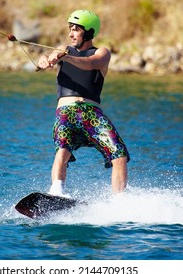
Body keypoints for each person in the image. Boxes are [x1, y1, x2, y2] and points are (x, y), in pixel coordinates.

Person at [37, 10, 130, 196]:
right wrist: (44, 60)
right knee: (63, 150)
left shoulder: (102, 53)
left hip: (91, 113)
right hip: (66, 111)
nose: (71, 33)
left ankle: (120, 202)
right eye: (70, 29)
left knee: (119, 155)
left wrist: (65, 57)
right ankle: (56, 192)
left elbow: (90, 63)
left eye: (76, 29)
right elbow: (48, 59)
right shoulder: (63, 49)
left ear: (88, 32)